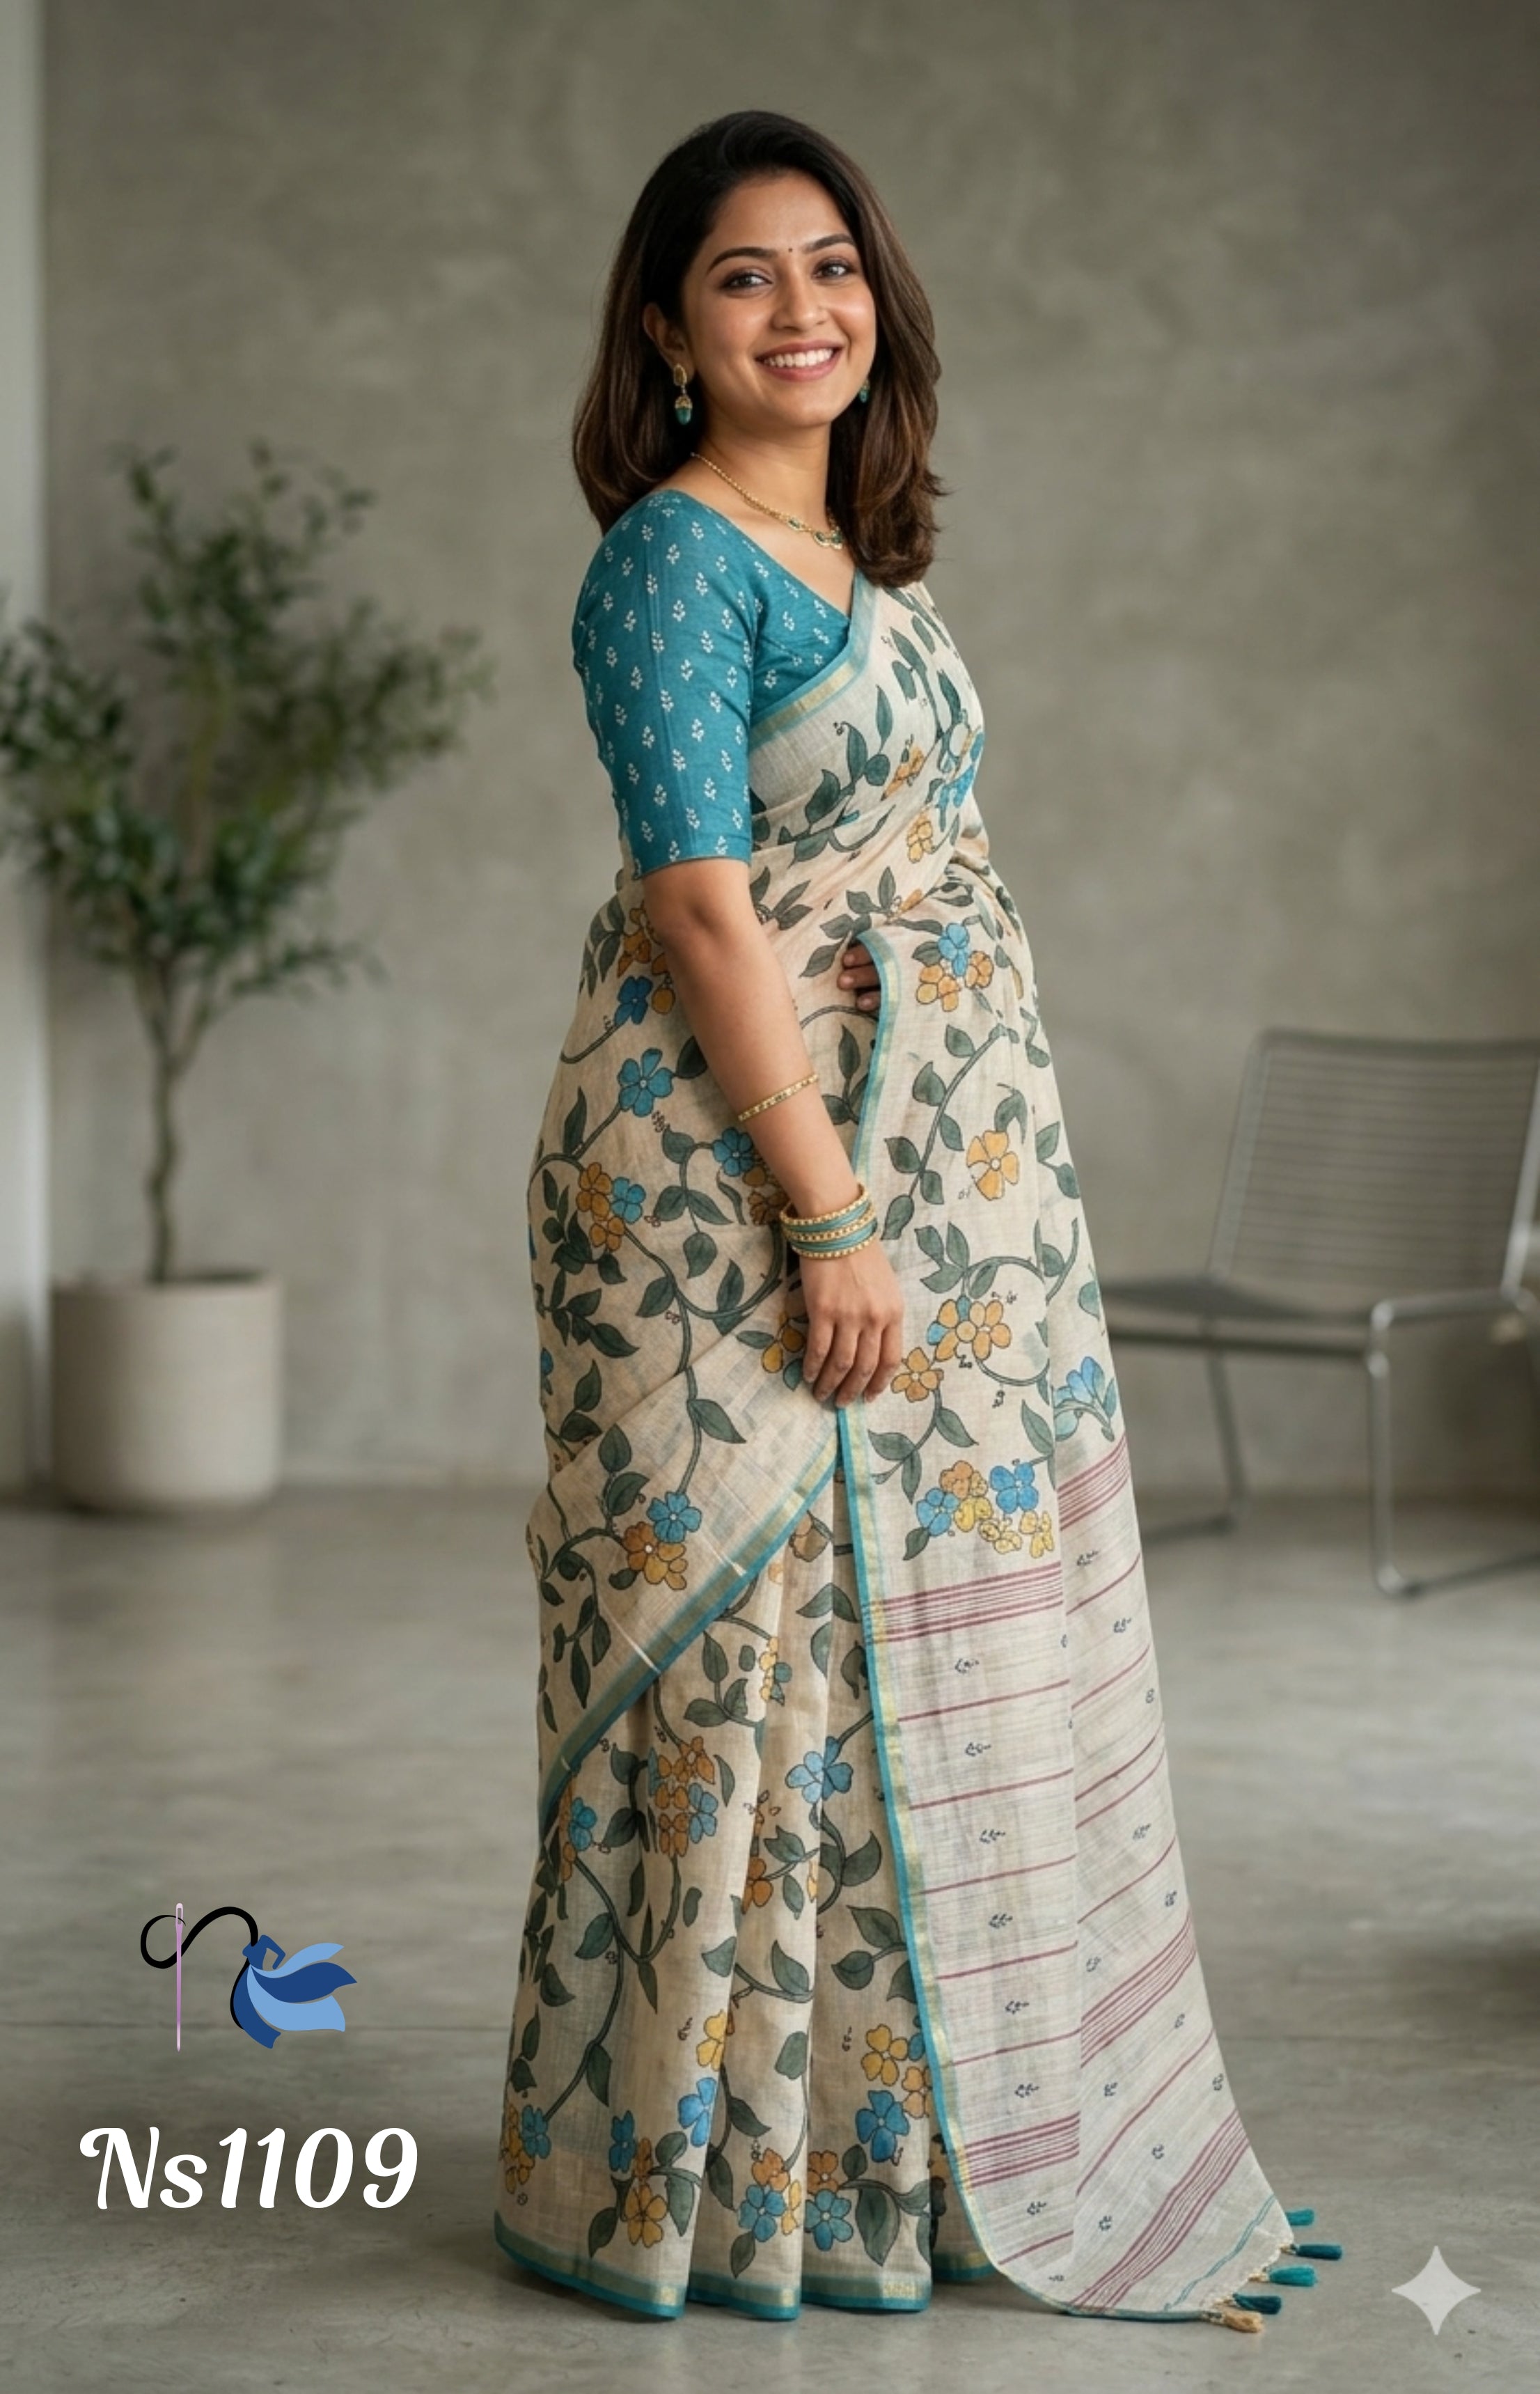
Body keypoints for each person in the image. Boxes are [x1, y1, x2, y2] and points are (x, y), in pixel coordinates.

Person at [493, 109, 1336, 2331]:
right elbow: (698, 904)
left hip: (917, 1196)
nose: (802, 309)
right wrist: (833, 1219)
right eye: (748, 275)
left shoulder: (872, 581)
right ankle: (697, 2192)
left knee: (887, 1680)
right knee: (747, 1667)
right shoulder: (671, 562)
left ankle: (889, 2167)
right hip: (728, 1191)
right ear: (667, 329)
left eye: (833, 264)